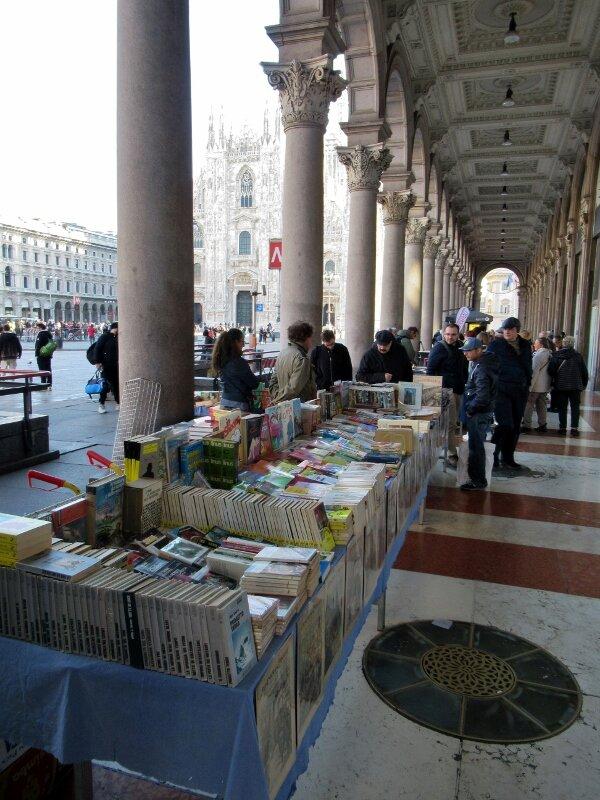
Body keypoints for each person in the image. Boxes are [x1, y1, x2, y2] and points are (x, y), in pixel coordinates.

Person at [487, 316, 532, 470]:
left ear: (516, 330)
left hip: (520, 390)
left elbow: (528, 365)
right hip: (501, 390)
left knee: (515, 426)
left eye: (511, 329)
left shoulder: (526, 345)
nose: (507, 332)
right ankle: (493, 455)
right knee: (505, 424)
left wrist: (528, 382)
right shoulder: (495, 345)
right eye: (505, 329)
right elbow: (487, 366)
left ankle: (508, 457)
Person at [459, 338, 499, 490]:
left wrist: (470, 409)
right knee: (476, 446)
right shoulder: (483, 363)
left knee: (476, 447)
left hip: (478, 413)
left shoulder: (482, 367)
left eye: (468, 350)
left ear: (478, 350)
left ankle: (478, 480)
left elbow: (482, 396)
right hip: (482, 411)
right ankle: (478, 478)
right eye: (464, 351)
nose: (465, 353)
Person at [426, 323, 469, 465]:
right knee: (450, 424)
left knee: (453, 423)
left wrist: (463, 381)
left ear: (458, 334)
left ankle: (451, 451)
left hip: (458, 390)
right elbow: (430, 372)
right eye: (448, 334)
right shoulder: (438, 348)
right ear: (444, 334)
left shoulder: (460, 347)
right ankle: (452, 453)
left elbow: (464, 367)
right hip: (444, 391)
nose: (450, 337)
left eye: (453, 334)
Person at [209, 328, 260, 411]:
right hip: (239, 405)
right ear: (236, 342)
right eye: (242, 341)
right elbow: (254, 383)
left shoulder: (222, 359)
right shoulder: (239, 362)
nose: (243, 345)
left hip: (224, 402)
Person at [548, 336, 589, 436]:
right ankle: (574, 428)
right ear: (573, 344)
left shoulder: (556, 355)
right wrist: (583, 385)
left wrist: (554, 381)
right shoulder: (578, 356)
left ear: (563, 343)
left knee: (562, 407)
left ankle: (562, 428)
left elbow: (551, 370)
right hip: (575, 386)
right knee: (575, 407)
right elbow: (584, 372)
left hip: (561, 386)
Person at [269, 321, 317, 402]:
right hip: (300, 407)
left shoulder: (282, 354)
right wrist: (278, 399)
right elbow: (293, 388)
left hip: (285, 406)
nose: (311, 342)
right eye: (310, 338)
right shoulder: (302, 358)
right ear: (306, 338)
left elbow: (273, 383)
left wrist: (277, 397)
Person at [522, 336, 552, 433]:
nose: (534, 344)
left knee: (529, 405)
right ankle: (543, 424)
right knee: (542, 406)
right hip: (544, 386)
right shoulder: (549, 354)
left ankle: (527, 425)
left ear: (541, 344)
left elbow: (534, 372)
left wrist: (529, 387)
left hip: (536, 386)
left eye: (536, 343)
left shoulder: (538, 356)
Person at [94, 322, 119, 413]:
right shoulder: (105, 336)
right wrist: (97, 362)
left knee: (116, 384)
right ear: (115, 328)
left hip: (116, 365)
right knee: (105, 384)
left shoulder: (117, 337)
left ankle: (118, 403)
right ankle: (101, 404)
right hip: (106, 364)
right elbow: (97, 349)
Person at [34, 322, 54, 388]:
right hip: (48, 354)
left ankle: (43, 384)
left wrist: (36, 354)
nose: (36, 329)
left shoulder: (41, 334)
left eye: (37, 328)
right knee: (48, 369)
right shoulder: (49, 334)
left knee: (42, 370)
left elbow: (38, 345)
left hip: (41, 354)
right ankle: (49, 384)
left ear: (40, 328)